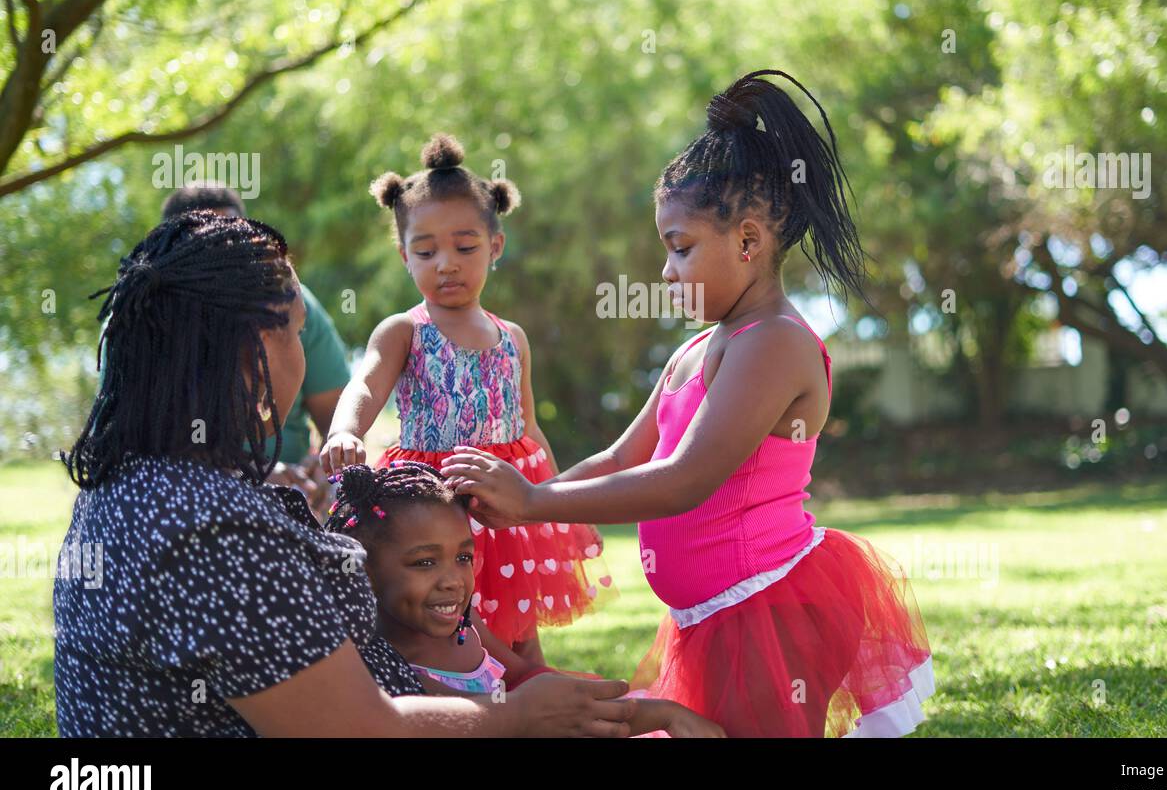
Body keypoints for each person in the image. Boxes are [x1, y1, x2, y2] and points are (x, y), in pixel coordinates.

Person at [442, 70, 936, 737]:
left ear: (749, 241)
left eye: (680, 248)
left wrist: (533, 502)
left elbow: (685, 479)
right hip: (708, 616)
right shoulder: (697, 350)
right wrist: (524, 505)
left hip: (769, 610)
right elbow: (623, 456)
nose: (667, 271)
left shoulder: (776, 344)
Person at [53, 210, 635, 736]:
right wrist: (517, 716)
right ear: (259, 345)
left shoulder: (131, 484)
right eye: (300, 331)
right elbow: (358, 729)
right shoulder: (211, 528)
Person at [321, 134, 615, 664]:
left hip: (506, 498)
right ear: (404, 255)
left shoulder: (512, 337)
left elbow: (527, 424)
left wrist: (546, 494)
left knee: (520, 620)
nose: (446, 264)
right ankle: (472, 701)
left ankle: (535, 693)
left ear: (495, 246)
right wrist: (346, 429)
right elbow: (363, 384)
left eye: (465, 246)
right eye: (426, 251)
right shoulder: (402, 330)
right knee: (453, 625)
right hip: (435, 502)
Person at [323, 461, 722, 737]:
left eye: (463, 557)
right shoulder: (376, 662)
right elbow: (501, 719)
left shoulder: (465, 626)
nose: (453, 581)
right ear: (364, 570)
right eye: (424, 562)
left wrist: (660, 712)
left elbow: (523, 676)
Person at [154, 183, 351, 516]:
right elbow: (142, 450)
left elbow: (338, 421)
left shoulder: (292, 303)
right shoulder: (141, 322)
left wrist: (330, 467)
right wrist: (246, 477)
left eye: (232, 239)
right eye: (203, 244)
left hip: (297, 493)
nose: (222, 256)